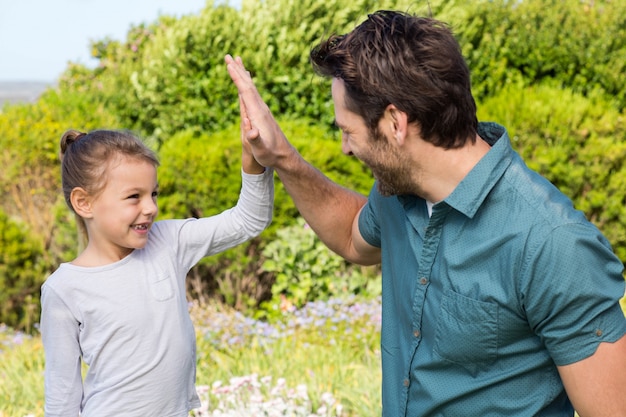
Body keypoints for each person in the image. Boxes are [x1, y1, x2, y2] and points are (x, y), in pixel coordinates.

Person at [225, 9, 626, 417]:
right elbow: (350, 234)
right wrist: (282, 158)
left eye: (348, 132)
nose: (345, 148)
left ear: (396, 123)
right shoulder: (399, 192)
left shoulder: (552, 243)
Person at [40, 119, 274, 415]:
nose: (151, 207)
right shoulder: (64, 289)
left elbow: (249, 220)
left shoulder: (168, 243)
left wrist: (253, 158)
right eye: (133, 197)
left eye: (154, 194)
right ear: (84, 202)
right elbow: (62, 394)